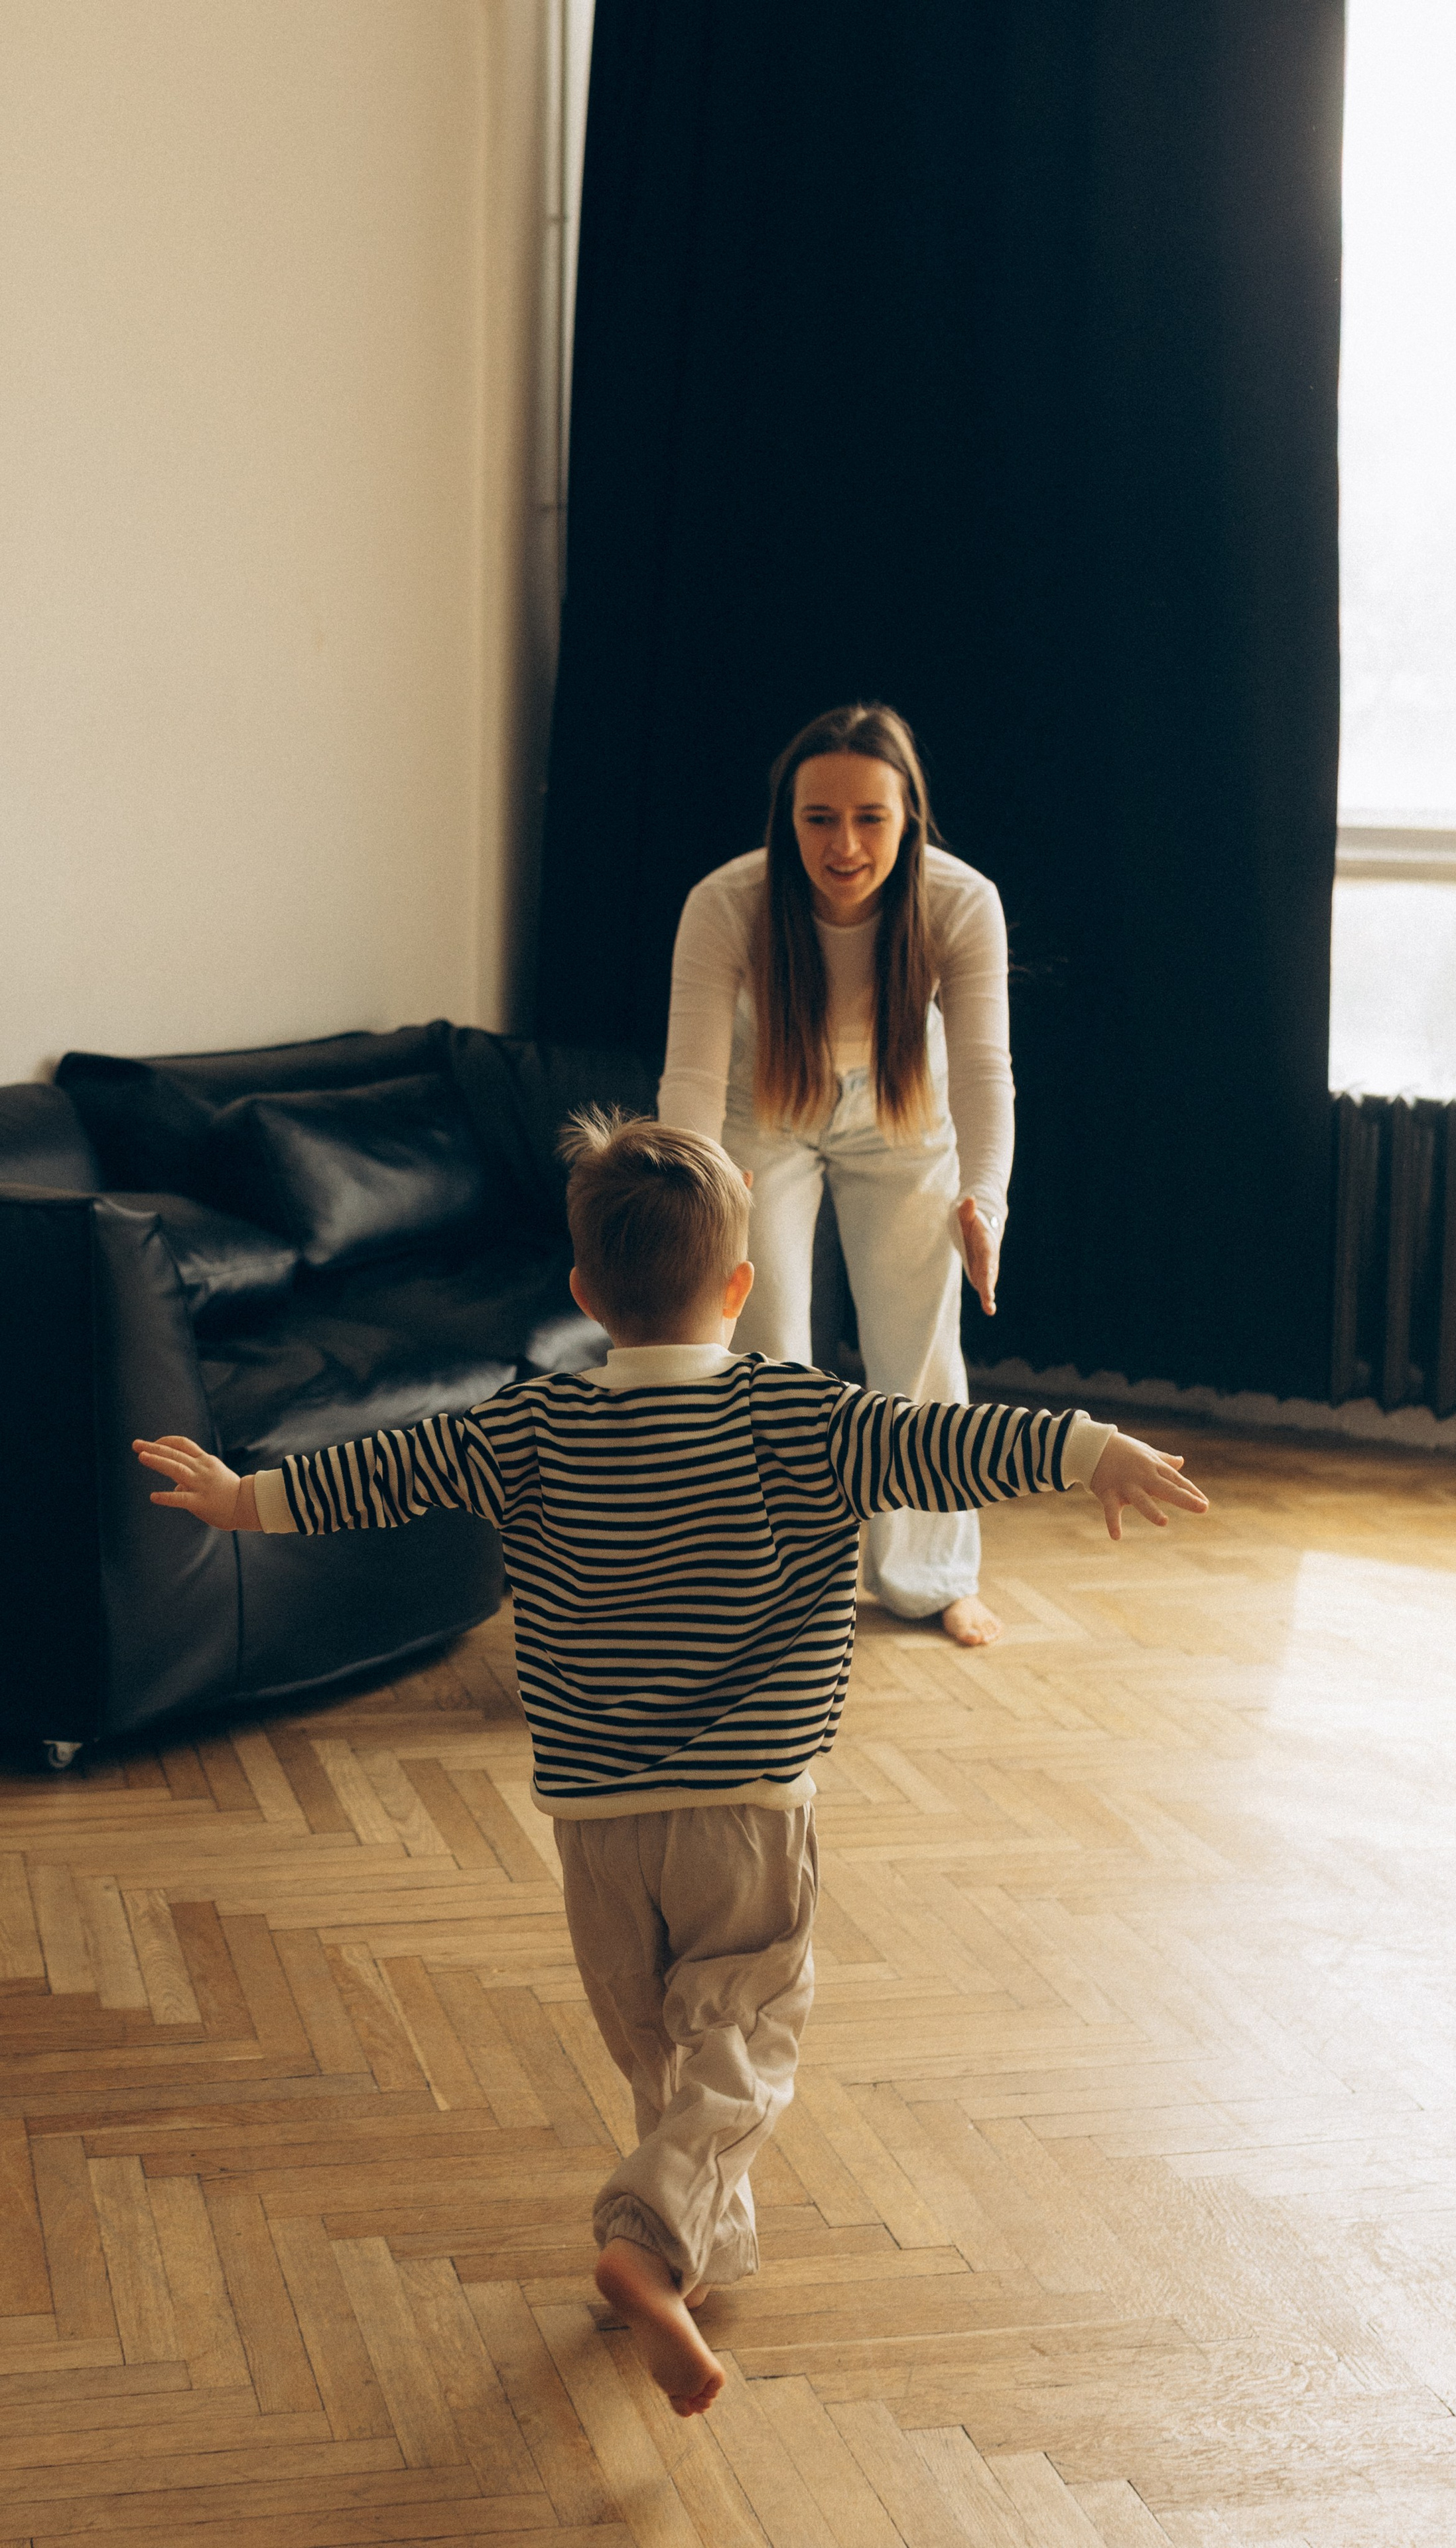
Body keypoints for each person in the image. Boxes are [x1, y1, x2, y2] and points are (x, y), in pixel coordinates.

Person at [133, 1112, 1207, 2419]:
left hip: (594, 1829)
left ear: (585, 1295)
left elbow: (383, 1471)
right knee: (741, 2045)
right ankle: (648, 2242)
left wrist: (243, 1498)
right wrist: (1098, 1447)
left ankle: (686, 2251)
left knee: (668, 2062)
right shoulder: (800, 1417)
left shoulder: (524, 1426)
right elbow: (951, 1439)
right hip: (746, 1817)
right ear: (741, 1287)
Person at [659, 701, 1017, 1649]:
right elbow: (690, 1078)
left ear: (910, 820)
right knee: (763, 1343)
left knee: (918, 1349)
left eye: (871, 818)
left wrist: (985, 1198)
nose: (845, 844)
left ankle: (930, 1576)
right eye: (819, 819)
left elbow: (983, 1071)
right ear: (788, 821)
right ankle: (773, 1586)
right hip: (759, 1112)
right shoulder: (727, 903)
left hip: (905, 1112)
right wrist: (698, 1202)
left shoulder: (959, 901)